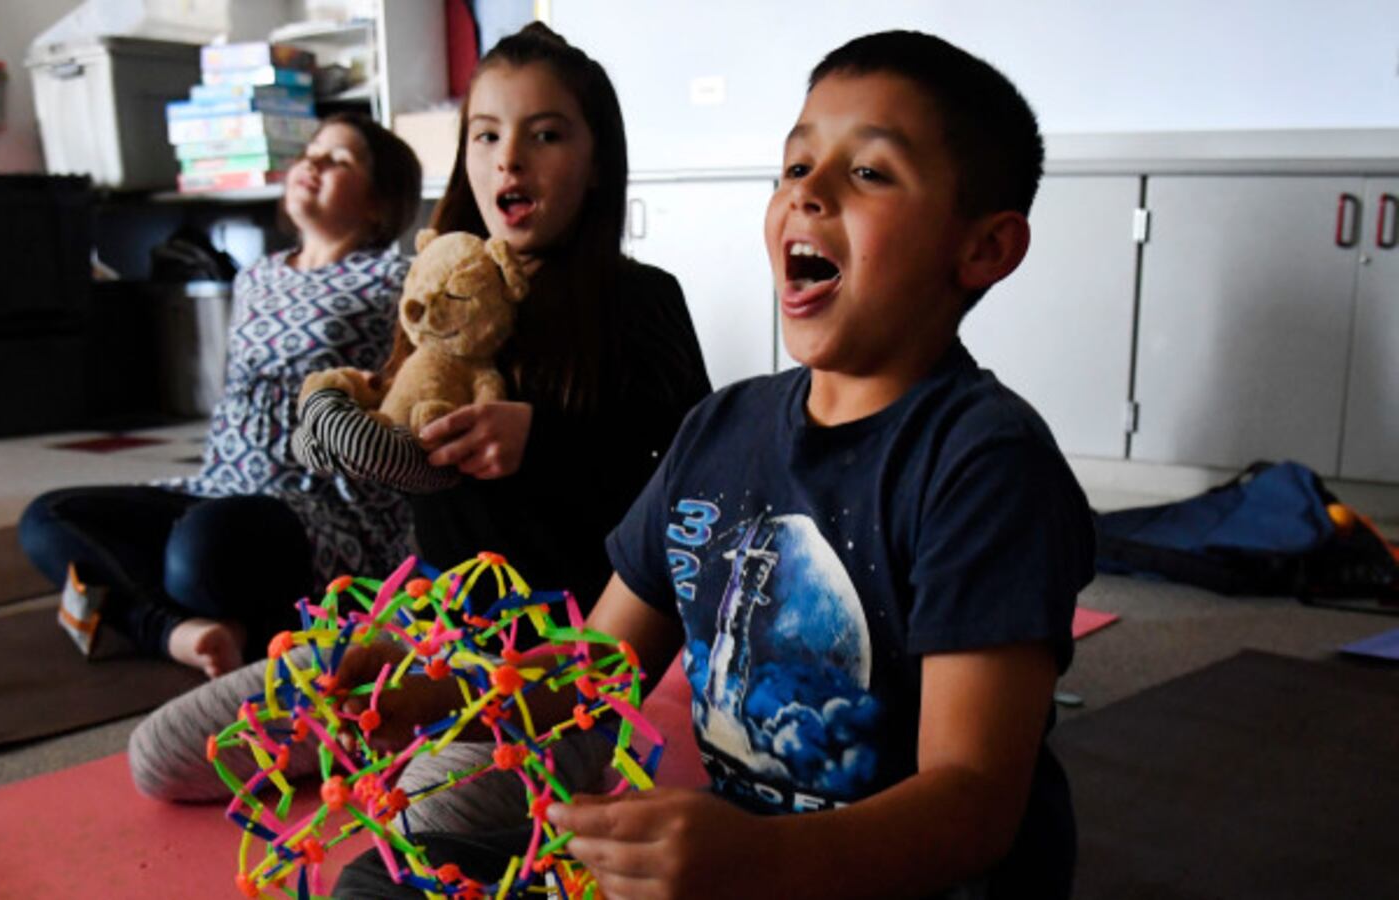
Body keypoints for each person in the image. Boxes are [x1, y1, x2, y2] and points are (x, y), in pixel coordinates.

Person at [336, 30, 1097, 899]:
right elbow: (592, 672)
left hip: (886, 880)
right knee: (380, 882)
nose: (806, 194)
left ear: (985, 249)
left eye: (870, 173)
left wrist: (761, 861)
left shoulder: (984, 466)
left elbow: (972, 806)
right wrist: (437, 692)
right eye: (795, 166)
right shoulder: (720, 432)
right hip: (743, 868)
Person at [126, 22, 712, 834]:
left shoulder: (641, 299)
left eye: (546, 135)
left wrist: (545, 439)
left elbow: (696, 483)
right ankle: (396, 730)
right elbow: (390, 435)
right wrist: (347, 416)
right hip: (422, 636)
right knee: (159, 757)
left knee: (430, 823)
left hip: (557, 666)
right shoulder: (437, 283)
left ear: (598, 162)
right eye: (487, 134)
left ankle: (419, 744)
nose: (509, 159)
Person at [19, 114, 422, 678]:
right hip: (215, 489)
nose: (313, 164)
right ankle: (177, 631)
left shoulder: (393, 279)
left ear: (380, 203)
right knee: (47, 518)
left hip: (316, 511)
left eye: (340, 161)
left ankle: (176, 604)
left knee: (199, 554)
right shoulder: (257, 275)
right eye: (311, 152)